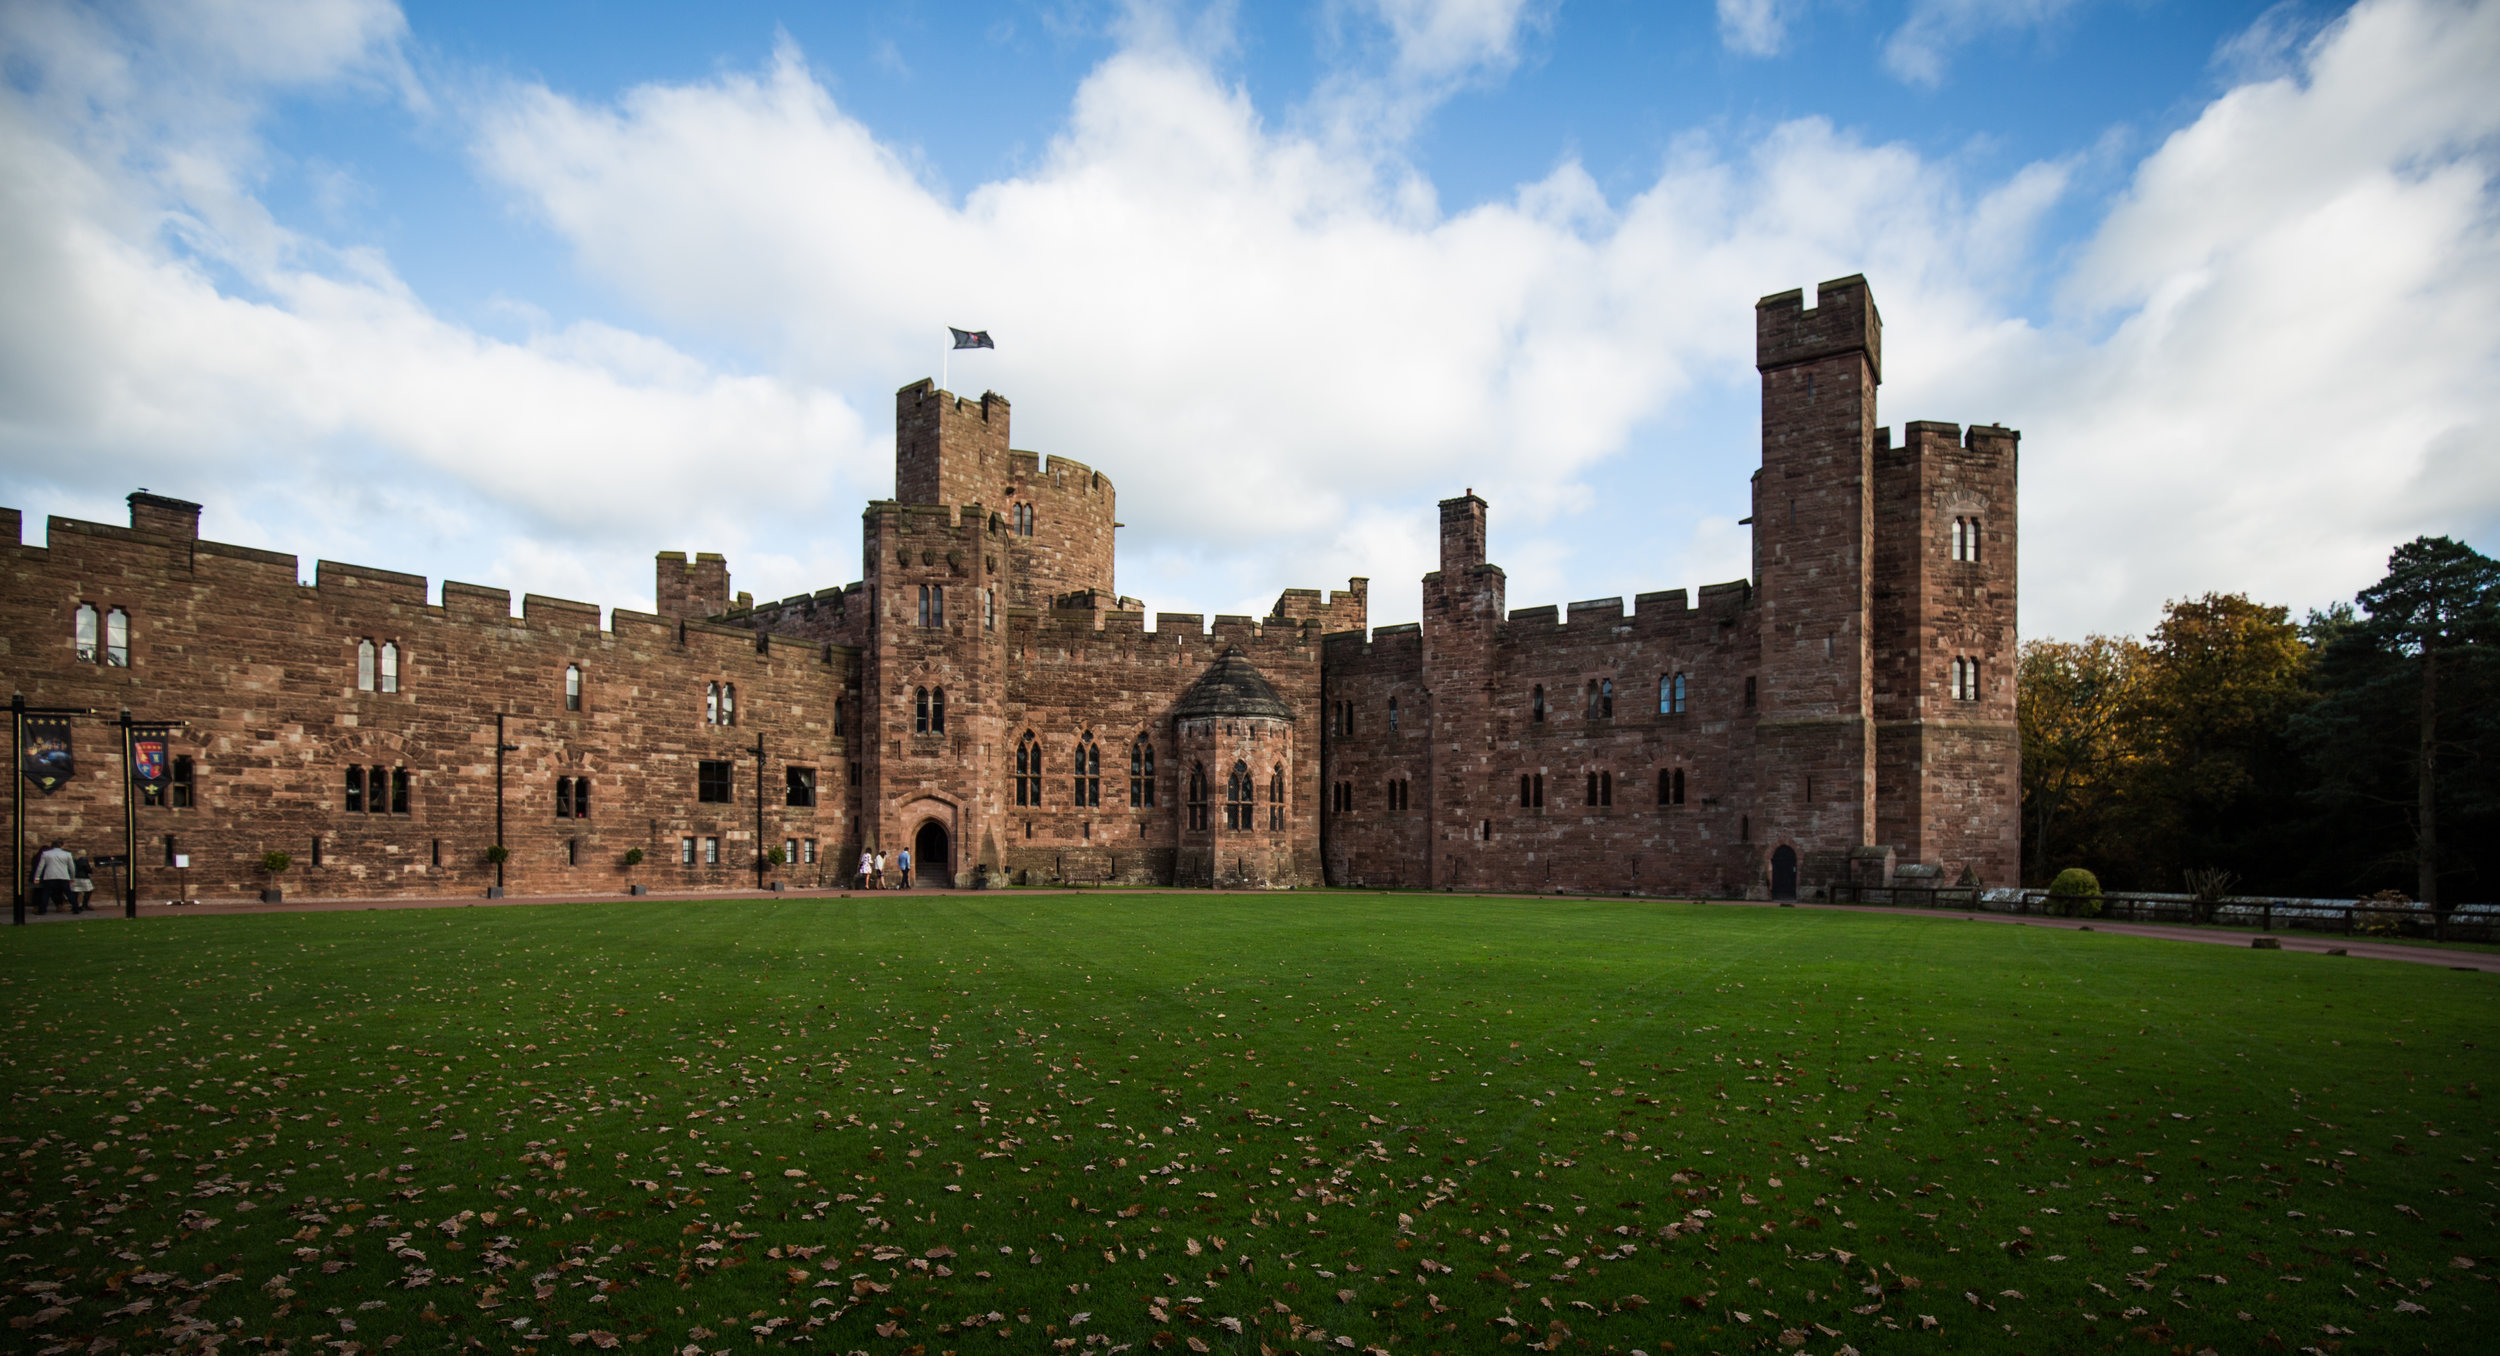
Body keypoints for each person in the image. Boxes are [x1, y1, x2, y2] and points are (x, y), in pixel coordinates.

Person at [32, 840, 75, 916]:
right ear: (61, 846)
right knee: (69, 893)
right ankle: (76, 908)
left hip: (50, 876)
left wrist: (37, 877)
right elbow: (72, 867)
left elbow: (40, 866)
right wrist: (72, 877)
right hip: (63, 876)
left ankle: (42, 910)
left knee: (46, 894)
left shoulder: (46, 854)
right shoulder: (67, 854)